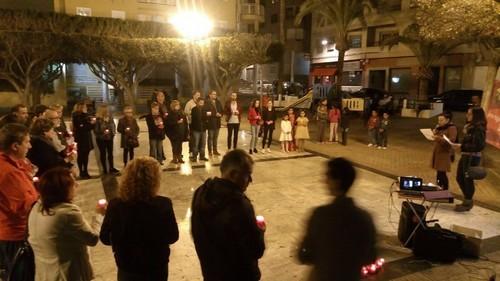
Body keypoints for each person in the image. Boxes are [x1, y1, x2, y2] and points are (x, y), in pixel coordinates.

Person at [191, 149, 265, 281]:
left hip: (211, 273)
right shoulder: (239, 205)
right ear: (233, 174)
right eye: (247, 174)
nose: (250, 180)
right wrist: (260, 231)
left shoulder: (201, 193)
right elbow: (256, 250)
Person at [100, 156, 179, 281]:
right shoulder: (163, 204)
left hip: (128, 266)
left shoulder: (116, 205)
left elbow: (105, 238)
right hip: (156, 266)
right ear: (154, 181)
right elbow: (172, 236)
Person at [298, 157, 377, 281]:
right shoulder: (365, 218)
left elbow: (303, 255)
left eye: (327, 176)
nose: (324, 181)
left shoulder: (321, 215)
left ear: (337, 181)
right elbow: (370, 257)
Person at [28, 167, 99, 281]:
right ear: (61, 190)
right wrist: (99, 216)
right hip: (66, 275)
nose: (77, 185)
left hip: (45, 273)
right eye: (72, 183)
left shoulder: (37, 207)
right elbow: (92, 239)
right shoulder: (67, 212)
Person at [0, 124, 38, 280]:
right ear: (15, 146)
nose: (29, 146)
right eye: (26, 142)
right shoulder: (8, 172)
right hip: (16, 235)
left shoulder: (16, 163)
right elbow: (22, 206)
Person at [452, 107, 487, 212]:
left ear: (476, 116)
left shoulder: (478, 128)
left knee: (467, 179)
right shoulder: (471, 127)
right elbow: (470, 142)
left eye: (470, 114)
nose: (467, 115)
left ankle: (467, 202)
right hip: (466, 155)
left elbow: (479, 146)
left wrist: (462, 147)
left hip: (472, 157)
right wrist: (461, 145)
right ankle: (467, 199)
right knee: (459, 178)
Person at [431, 112, 457, 190]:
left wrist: (438, 138)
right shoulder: (440, 127)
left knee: (442, 174)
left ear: (447, 120)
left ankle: (444, 191)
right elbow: (437, 138)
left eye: (441, 120)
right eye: (438, 120)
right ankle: (439, 189)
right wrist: (434, 133)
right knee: (439, 173)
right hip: (438, 153)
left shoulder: (452, 128)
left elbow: (451, 141)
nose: (439, 122)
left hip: (445, 154)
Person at [72, 101, 96, 179]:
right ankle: (81, 172)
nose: (86, 109)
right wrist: (91, 124)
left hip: (86, 138)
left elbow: (88, 126)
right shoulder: (76, 116)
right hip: (80, 138)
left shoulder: (86, 115)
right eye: (84, 107)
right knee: (81, 155)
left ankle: (85, 171)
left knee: (86, 155)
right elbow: (81, 127)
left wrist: (92, 124)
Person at [94, 104, 119, 174]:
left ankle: (111, 167)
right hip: (101, 139)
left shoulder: (110, 118)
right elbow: (96, 130)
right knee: (103, 153)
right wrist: (103, 132)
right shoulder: (98, 119)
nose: (107, 111)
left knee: (110, 153)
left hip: (109, 138)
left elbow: (113, 126)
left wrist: (113, 133)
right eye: (105, 110)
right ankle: (104, 168)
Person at [165, 100, 188, 164]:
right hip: (173, 134)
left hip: (181, 133)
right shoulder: (170, 114)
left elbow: (185, 123)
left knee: (179, 146)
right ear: (173, 106)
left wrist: (186, 132)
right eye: (177, 105)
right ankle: (175, 158)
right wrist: (176, 122)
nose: (178, 106)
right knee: (174, 147)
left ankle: (179, 157)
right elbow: (168, 124)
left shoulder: (181, 113)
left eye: (178, 105)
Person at [204, 90, 223, 157]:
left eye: (215, 94)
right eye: (213, 94)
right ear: (210, 95)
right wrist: (215, 114)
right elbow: (206, 112)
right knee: (210, 138)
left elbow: (221, 110)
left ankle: (215, 150)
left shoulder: (218, 102)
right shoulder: (207, 102)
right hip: (211, 123)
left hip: (217, 123)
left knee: (215, 138)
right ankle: (210, 151)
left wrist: (220, 114)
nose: (214, 95)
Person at [190, 98, 209, 162]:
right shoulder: (194, 109)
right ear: (197, 102)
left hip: (203, 129)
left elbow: (205, 119)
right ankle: (194, 157)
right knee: (196, 144)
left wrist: (207, 117)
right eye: (200, 102)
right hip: (196, 129)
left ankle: (202, 156)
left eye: (203, 103)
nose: (202, 104)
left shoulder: (205, 109)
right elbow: (195, 119)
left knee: (203, 144)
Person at [185, 90, 201, 157]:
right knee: (192, 138)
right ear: (193, 95)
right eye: (197, 95)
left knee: (199, 138)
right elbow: (185, 112)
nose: (198, 96)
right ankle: (191, 151)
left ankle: (199, 151)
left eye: (199, 95)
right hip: (192, 123)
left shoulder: (200, 102)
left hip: (199, 124)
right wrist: (192, 114)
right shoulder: (189, 103)